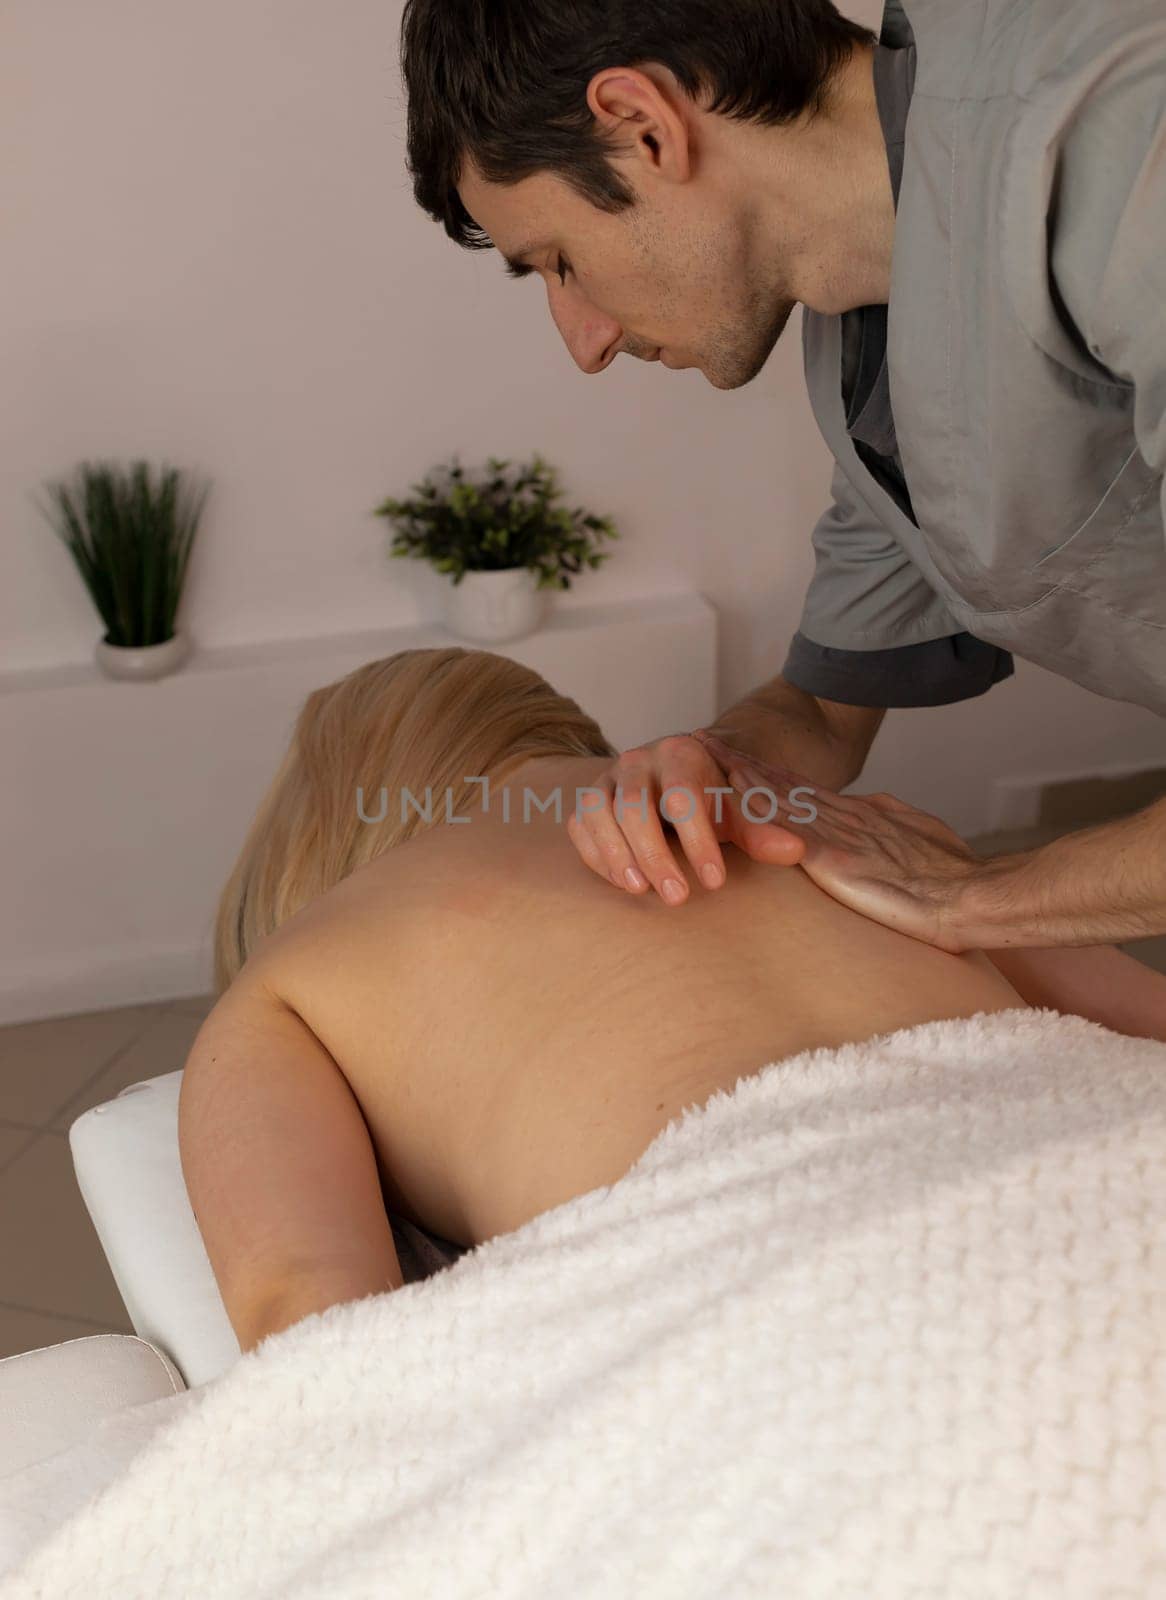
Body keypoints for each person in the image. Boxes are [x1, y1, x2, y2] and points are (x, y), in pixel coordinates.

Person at [397, 0, 1166, 961]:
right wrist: (706, 767)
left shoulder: (1118, 127)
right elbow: (822, 707)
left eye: (559, 262)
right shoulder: (862, 347)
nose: (584, 343)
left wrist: (982, 898)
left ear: (644, 125)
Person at [178, 648, 1166, 1356]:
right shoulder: (829, 829)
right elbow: (1140, 1024)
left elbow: (311, 1323)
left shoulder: (296, 982)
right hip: (1111, 1167)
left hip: (788, 1291)